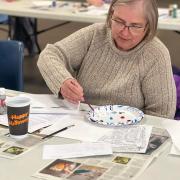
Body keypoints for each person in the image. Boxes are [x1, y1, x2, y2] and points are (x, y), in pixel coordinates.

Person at [37, 0, 176, 119]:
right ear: (110, 16)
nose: (124, 31)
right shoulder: (95, 34)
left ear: (148, 27)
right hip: (81, 122)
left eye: (134, 26)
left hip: (128, 132)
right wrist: (62, 81)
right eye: (119, 21)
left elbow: (162, 116)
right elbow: (50, 54)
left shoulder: (156, 54)